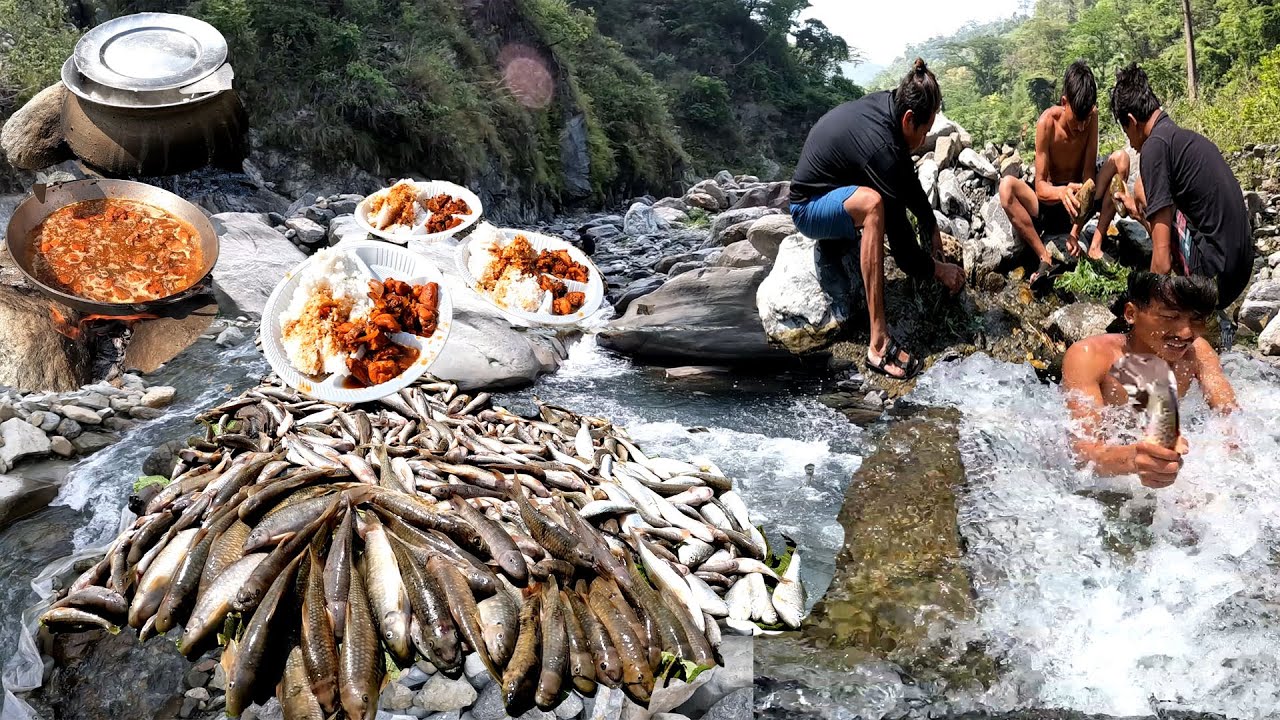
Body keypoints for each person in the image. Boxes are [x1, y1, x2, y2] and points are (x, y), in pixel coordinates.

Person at [789, 58, 965, 380]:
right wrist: (939, 270)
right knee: (873, 206)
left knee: (878, 198)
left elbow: (905, 176)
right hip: (808, 207)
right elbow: (902, 249)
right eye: (925, 131)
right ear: (910, 119)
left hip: (834, 191)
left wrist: (930, 224)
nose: (925, 138)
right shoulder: (880, 146)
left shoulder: (891, 104)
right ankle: (878, 343)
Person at [1107, 63, 1255, 334]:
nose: (1130, 142)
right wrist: (1138, 212)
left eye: (1126, 132)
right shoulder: (1181, 138)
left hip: (1214, 281)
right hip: (1240, 271)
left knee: (1142, 189)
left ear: (1131, 120)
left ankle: (1189, 307)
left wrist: (1144, 320)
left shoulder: (1154, 147)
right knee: (1145, 193)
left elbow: (1162, 262)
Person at [1061, 271, 1236, 488]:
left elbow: (1229, 414)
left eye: (1196, 319)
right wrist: (1134, 458)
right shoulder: (1091, 357)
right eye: (1170, 317)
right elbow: (1083, 454)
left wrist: (1228, 449)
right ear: (1131, 313)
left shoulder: (1197, 353)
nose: (1185, 333)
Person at [999, 60, 1134, 282]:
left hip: (1082, 201)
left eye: (1086, 119)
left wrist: (1075, 232)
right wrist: (1062, 193)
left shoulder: (1091, 117)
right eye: (1077, 120)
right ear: (1065, 102)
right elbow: (1041, 186)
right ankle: (1044, 255)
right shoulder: (1046, 123)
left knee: (1121, 159)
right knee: (1006, 187)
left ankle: (1096, 246)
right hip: (1051, 204)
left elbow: (1089, 172)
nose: (1081, 127)